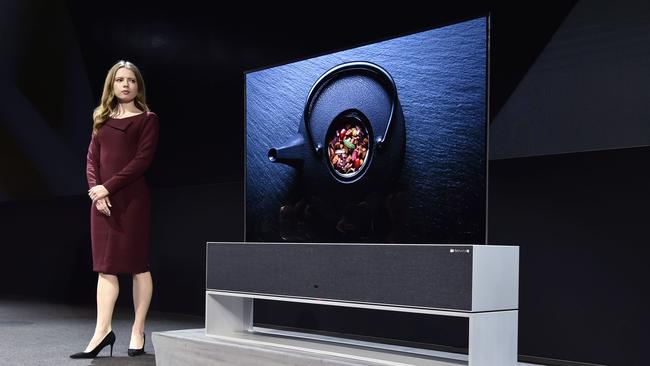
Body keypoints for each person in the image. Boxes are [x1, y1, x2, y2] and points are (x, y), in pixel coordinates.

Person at [70, 60, 159, 359]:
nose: (125, 84)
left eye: (131, 80)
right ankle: (102, 331)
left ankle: (137, 330)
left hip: (131, 201)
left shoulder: (147, 119)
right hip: (102, 202)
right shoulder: (101, 118)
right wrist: (97, 192)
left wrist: (107, 187)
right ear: (111, 85)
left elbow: (141, 162)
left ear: (137, 85)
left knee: (137, 265)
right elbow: (91, 159)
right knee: (105, 268)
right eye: (119, 80)